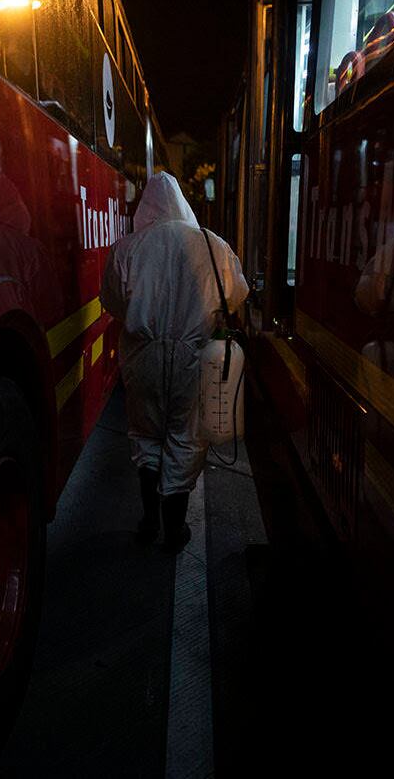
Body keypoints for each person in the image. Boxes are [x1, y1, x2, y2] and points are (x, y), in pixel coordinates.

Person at [100, 172, 249, 551]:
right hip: (193, 355)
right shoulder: (213, 246)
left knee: (146, 435)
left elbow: (113, 303)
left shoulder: (126, 248)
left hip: (143, 356)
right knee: (185, 438)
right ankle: (174, 529)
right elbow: (236, 295)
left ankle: (148, 521)